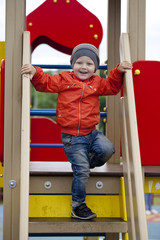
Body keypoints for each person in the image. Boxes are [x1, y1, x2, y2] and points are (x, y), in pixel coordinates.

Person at [21, 43, 132, 220]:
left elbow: (112, 86)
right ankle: (78, 205)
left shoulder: (97, 83)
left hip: (91, 133)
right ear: (72, 64)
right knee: (81, 172)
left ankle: (87, 163)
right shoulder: (64, 79)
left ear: (95, 67)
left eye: (89, 64)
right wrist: (35, 71)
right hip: (72, 137)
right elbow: (46, 83)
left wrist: (118, 70)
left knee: (108, 150)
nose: (84, 67)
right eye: (79, 62)